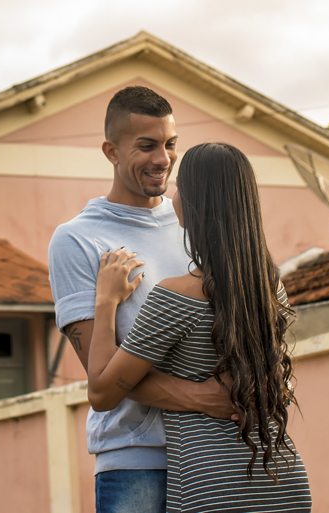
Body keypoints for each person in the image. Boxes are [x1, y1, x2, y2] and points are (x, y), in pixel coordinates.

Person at [88, 142, 311, 512]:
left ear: (193, 203)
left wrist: (105, 301)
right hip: (282, 480)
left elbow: (101, 393)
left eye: (181, 186)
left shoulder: (177, 296)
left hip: (210, 486)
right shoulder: (270, 289)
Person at [48, 86, 235, 513]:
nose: (163, 159)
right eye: (146, 146)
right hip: (136, 461)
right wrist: (202, 397)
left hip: (214, 453)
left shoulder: (195, 219)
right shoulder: (77, 239)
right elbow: (104, 375)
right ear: (111, 151)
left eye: (170, 145)